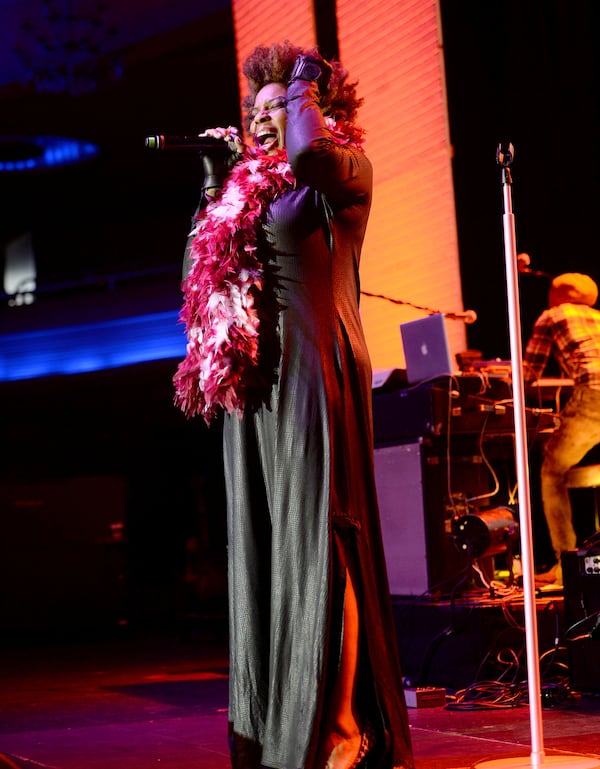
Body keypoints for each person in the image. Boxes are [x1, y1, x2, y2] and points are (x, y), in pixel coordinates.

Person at [173, 40, 414, 769]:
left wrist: (305, 91)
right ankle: (275, 725)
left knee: (322, 537)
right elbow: (197, 286)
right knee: (265, 547)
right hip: (255, 386)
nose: (264, 121)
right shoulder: (252, 191)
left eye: (280, 107)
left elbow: (311, 157)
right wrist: (214, 194)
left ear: (317, 110)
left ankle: (343, 724)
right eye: (256, 110)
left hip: (316, 367)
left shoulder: (340, 173)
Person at [523, 272, 600, 587]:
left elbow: (529, 372)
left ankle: (564, 564)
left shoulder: (552, 316)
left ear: (556, 295)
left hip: (594, 395)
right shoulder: (596, 317)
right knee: (570, 468)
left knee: (552, 472)